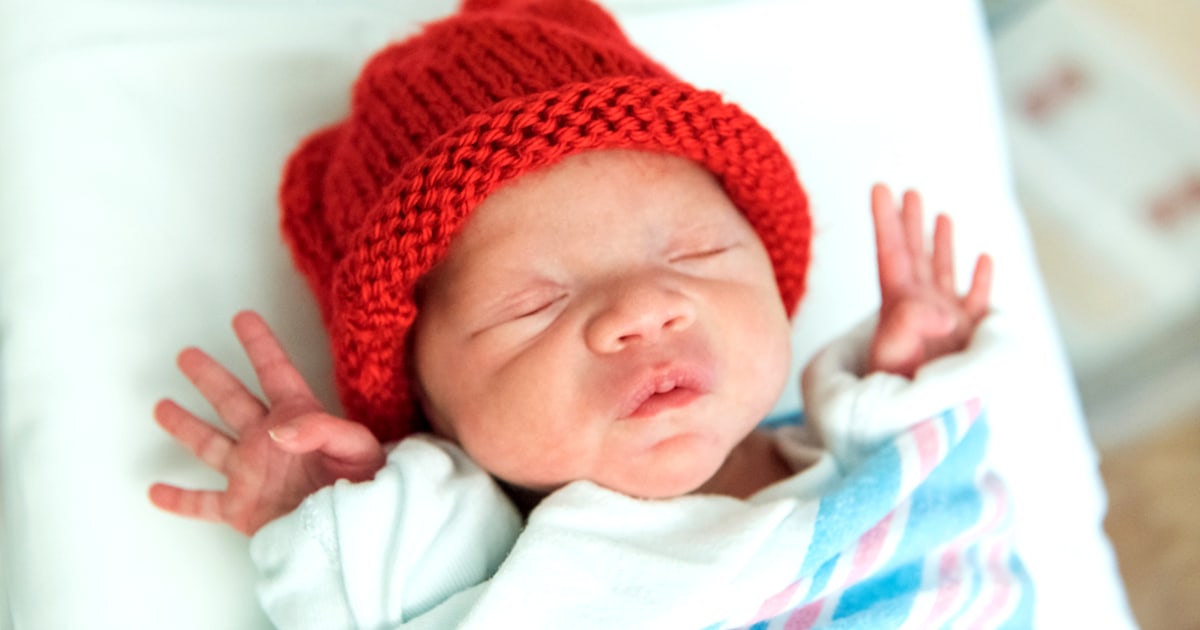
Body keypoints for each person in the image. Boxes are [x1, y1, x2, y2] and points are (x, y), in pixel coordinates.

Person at [149, 0, 1033, 627]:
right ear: (429, 406)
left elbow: (954, 506)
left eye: (696, 253)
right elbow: (369, 591)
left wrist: (916, 385)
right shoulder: (485, 561)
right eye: (533, 304)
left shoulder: (875, 471)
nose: (645, 310)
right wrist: (324, 516)